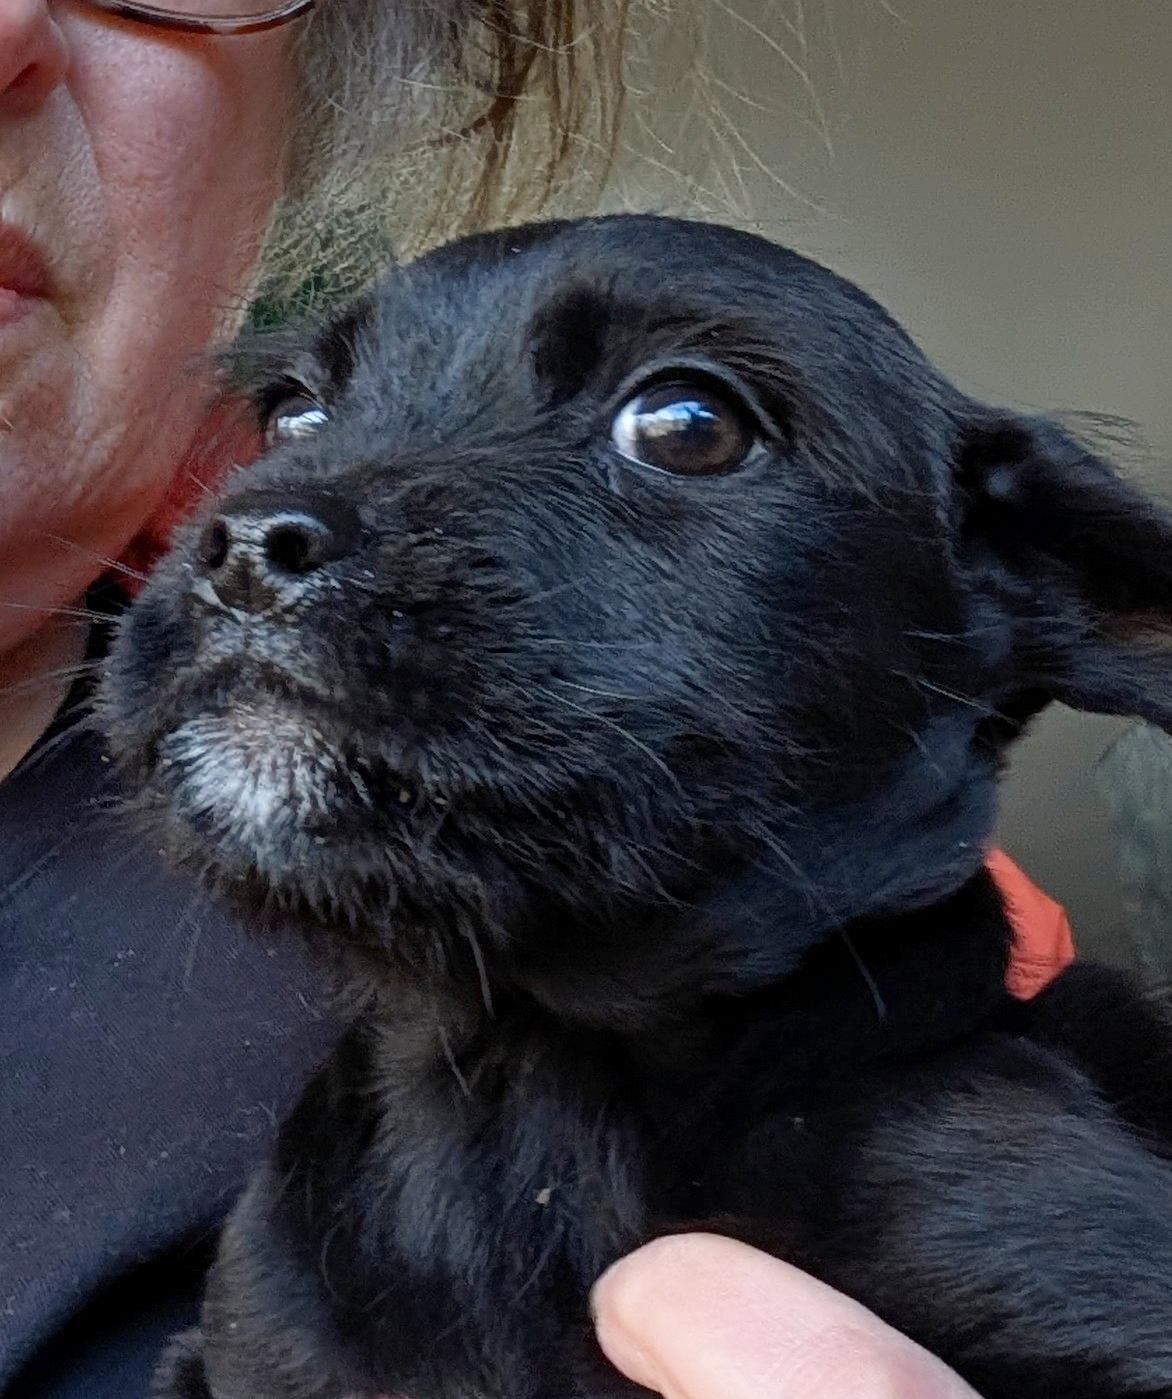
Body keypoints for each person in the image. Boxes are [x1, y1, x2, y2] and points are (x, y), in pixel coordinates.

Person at [0, 1, 1072, 1394]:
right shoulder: (325, 1227)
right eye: (305, 421)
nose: (281, 524)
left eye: (683, 430)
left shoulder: (960, 1066)